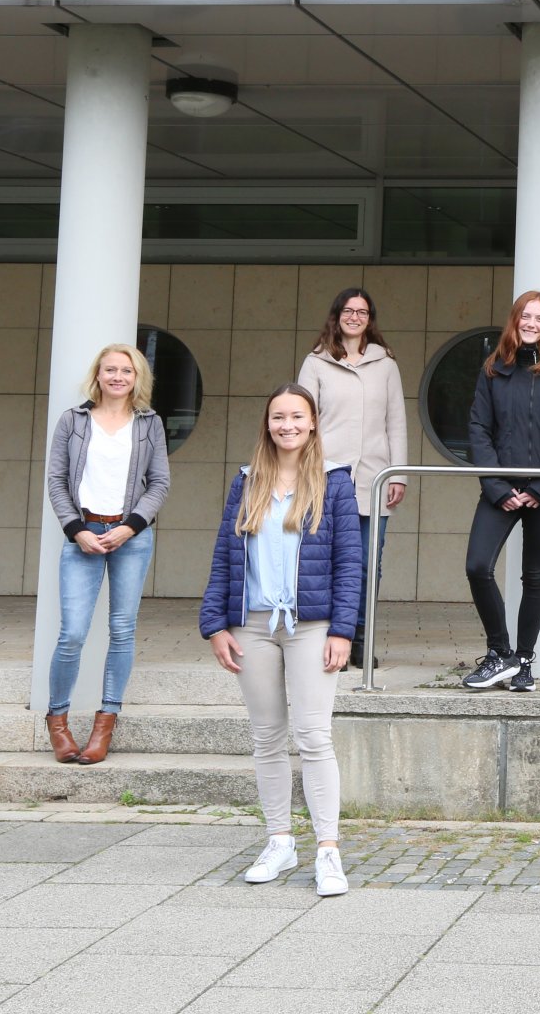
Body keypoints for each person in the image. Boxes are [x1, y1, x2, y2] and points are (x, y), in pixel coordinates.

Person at [200, 383, 362, 898]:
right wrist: (214, 624)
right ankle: (279, 841)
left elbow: (350, 564)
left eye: (296, 416)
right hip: (252, 625)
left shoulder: (335, 483)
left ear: (312, 422)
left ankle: (328, 851)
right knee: (267, 737)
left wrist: (343, 630)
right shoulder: (247, 482)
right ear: (267, 425)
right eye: (277, 417)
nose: (287, 425)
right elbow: (226, 554)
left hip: (312, 627)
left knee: (314, 737)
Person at [42, 342, 171, 765]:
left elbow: (159, 484)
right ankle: (58, 722)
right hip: (83, 535)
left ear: (138, 378)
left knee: (122, 630)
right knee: (73, 633)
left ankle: (105, 723)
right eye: (110, 369)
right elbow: (57, 480)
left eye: (126, 371)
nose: (118, 377)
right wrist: (77, 530)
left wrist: (130, 527)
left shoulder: (149, 424)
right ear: (97, 375)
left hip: (130, 537)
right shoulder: (73, 421)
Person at [460, 291, 540, 692]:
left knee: (534, 576)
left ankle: (525, 663)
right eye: (525, 317)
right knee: (477, 566)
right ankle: (500, 654)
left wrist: (539, 486)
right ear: (514, 322)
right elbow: (478, 430)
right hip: (501, 489)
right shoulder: (493, 370)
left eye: (539, 318)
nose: (531, 324)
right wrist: (499, 487)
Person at [297, 286, 408, 668]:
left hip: (375, 479)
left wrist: (399, 474)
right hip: (325, 479)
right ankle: (327, 638)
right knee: (324, 562)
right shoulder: (316, 363)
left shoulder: (386, 365)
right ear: (337, 315)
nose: (355, 317)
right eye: (349, 310)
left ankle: (360, 639)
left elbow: (396, 423)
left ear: (369, 319)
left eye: (362, 312)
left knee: (366, 564)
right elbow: (302, 420)